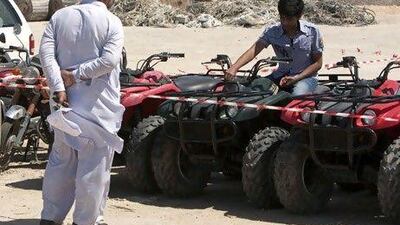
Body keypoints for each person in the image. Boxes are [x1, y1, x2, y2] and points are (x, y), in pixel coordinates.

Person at [38, 0, 125, 224]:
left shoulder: (59, 17)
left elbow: (47, 56)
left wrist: (58, 87)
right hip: (98, 110)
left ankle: (49, 218)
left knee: (60, 164)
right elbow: (109, 60)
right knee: (93, 171)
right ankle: (85, 221)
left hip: (63, 106)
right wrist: (75, 75)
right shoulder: (111, 22)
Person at [225, 0, 324, 96]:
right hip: (279, 75)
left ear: (299, 16)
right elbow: (254, 49)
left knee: (296, 96)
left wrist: (296, 78)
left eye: (289, 19)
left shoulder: (312, 32)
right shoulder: (272, 31)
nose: (284, 23)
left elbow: (318, 64)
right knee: (255, 91)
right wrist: (235, 67)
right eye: (282, 18)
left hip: (305, 78)